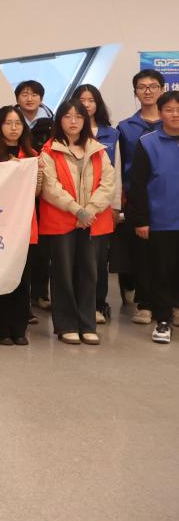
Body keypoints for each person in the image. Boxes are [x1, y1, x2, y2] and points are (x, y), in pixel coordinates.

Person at [39, 99, 115, 345]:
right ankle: (66, 324)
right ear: (59, 120)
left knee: (90, 273)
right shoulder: (49, 150)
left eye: (78, 117)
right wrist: (77, 210)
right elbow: (50, 187)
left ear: (85, 120)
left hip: (92, 220)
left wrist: (89, 211)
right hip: (62, 220)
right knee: (62, 272)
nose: (73, 121)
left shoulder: (98, 150)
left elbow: (108, 184)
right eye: (67, 116)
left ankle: (87, 324)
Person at [0, 106, 41, 345]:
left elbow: (38, 191)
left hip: (24, 225)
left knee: (22, 279)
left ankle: (18, 328)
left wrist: (38, 174)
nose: (13, 128)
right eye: (8, 123)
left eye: (18, 123)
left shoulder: (32, 155)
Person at [125, 90, 179, 344]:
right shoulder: (147, 143)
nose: (175, 114)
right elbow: (137, 185)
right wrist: (141, 219)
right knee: (160, 272)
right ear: (160, 113)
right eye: (169, 110)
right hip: (160, 221)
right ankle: (163, 320)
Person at [116, 69, 165, 325]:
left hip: (168, 196)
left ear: (162, 90)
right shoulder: (125, 127)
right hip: (136, 197)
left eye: (153, 86)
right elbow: (120, 163)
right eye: (142, 87)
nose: (148, 91)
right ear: (135, 92)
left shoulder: (173, 124)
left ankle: (170, 303)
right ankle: (145, 304)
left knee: (169, 251)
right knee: (142, 252)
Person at [72, 83, 121, 324]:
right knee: (76, 259)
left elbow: (115, 173)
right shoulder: (67, 132)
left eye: (91, 100)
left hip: (102, 207)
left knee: (99, 260)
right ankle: (77, 305)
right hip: (72, 208)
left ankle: (98, 304)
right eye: (82, 100)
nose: (86, 104)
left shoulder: (111, 134)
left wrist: (115, 206)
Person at [15, 80, 55, 149]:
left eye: (34, 95)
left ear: (41, 99)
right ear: (17, 100)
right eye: (25, 95)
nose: (29, 99)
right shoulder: (8, 120)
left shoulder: (51, 122)